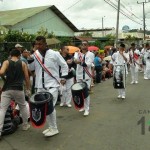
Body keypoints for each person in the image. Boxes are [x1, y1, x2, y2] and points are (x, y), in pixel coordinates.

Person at [28, 36, 68, 137]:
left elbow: (64, 65)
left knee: (50, 107)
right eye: (36, 44)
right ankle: (51, 127)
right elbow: (31, 68)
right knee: (44, 108)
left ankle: (54, 128)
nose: (38, 46)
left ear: (45, 44)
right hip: (40, 86)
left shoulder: (54, 54)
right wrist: (30, 59)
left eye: (40, 44)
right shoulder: (35, 55)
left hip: (52, 86)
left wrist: (63, 77)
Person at [0, 49, 31, 140]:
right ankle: (25, 125)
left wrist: (4, 77)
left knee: (2, 109)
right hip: (18, 88)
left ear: (10, 54)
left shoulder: (6, 62)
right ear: (19, 55)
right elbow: (26, 77)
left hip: (7, 89)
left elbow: (1, 72)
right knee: (23, 106)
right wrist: (28, 89)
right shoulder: (23, 63)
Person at [74, 40, 94, 116]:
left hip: (86, 76)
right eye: (82, 44)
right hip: (79, 75)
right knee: (79, 93)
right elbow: (75, 60)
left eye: (85, 44)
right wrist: (77, 61)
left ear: (87, 45)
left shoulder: (91, 54)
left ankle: (87, 109)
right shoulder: (77, 53)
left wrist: (79, 62)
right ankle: (82, 106)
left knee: (86, 93)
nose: (83, 46)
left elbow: (88, 64)